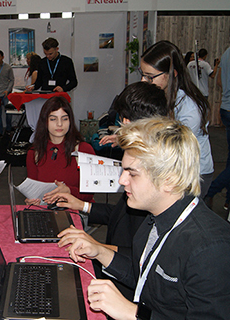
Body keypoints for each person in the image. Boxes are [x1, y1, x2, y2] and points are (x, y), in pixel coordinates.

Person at [59, 117, 230, 319]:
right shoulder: (154, 218)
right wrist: (99, 252)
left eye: (132, 174)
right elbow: (145, 277)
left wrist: (133, 313)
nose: (122, 181)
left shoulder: (209, 248)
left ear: (170, 180)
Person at [50, 82, 168, 300]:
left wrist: (98, 246)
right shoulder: (142, 161)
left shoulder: (154, 178)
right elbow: (122, 215)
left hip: (128, 282)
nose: (123, 181)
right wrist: (82, 205)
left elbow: (142, 256)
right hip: (114, 268)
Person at [139, 40, 213, 197]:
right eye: (143, 75)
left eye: (150, 77)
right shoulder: (165, 95)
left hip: (193, 173)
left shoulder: (189, 108)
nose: (143, 81)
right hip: (176, 167)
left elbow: (171, 145)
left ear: (172, 74)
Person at [25, 96, 95, 205]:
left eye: (64, 118)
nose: (59, 124)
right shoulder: (34, 152)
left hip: (76, 211)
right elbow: (33, 191)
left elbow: (89, 194)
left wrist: (69, 191)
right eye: (53, 119)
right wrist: (32, 200)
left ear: (70, 120)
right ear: (45, 121)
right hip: (47, 210)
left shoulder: (84, 150)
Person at [205, 46, 230, 212]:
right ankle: (210, 191)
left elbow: (219, 82)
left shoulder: (226, 52)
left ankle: (228, 200)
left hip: (226, 108)